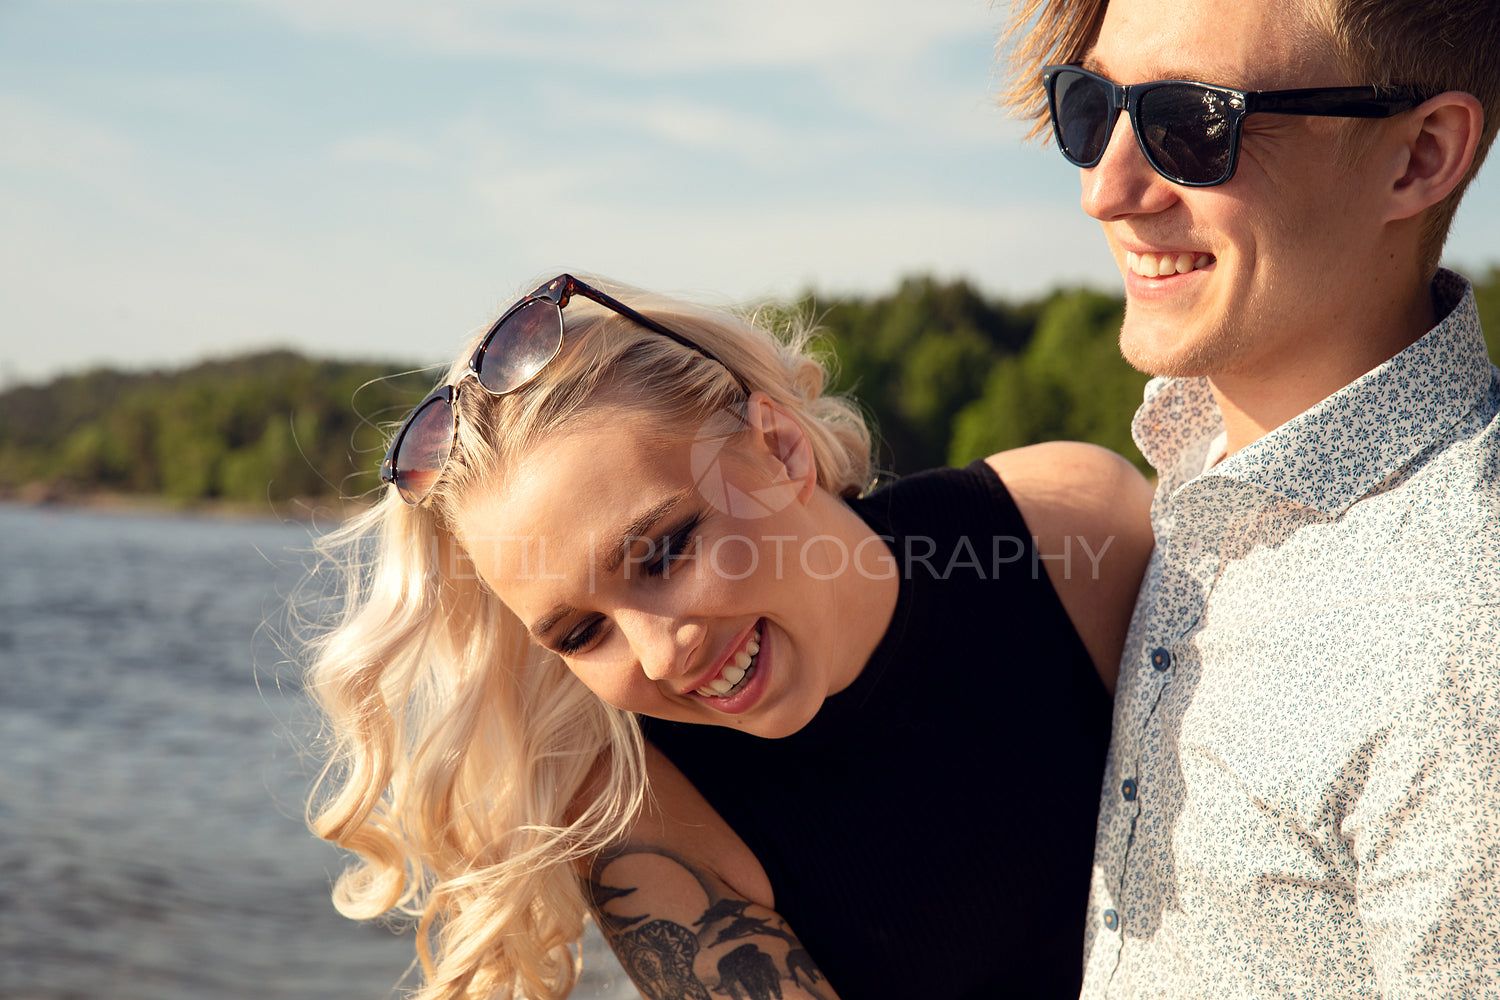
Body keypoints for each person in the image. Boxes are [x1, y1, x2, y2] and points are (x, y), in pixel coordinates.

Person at [299, 272, 1154, 999]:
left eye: (665, 553)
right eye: (581, 631)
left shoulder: (1065, 528)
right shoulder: (652, 824)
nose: (662, 653)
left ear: (780, 448)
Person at [999, 0, 1500, 994]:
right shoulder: (1201, 477)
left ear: (1420, 157)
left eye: (1195, 123)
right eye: (1093, 106)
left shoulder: (1461, 635)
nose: (1106, 189)